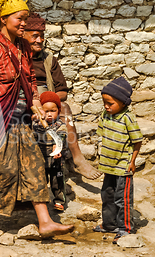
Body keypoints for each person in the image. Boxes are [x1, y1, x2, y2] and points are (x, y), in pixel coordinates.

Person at [0, 0, 74, 236]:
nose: (24, 23)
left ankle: (45, 221)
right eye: (19, 18)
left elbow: (30, 79)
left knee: (34, 166)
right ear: (3, 19)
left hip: (21, 120)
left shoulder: (22, 47)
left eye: (25, 18)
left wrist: (34, 103)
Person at [23, 13, 102, 180]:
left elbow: (63, 92)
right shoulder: (18, 58)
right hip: (26, 103)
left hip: (46, 103)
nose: (40, 40)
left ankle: (78, 159)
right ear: (23, 35)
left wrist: (48, 99)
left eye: (42, 36)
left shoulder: (49, 59)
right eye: (35, 36)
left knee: (64, 108)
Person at [92, 77, 143, 244]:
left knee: (123, 198)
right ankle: (109, 225)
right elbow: (102, 136)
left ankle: (125, 228)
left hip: (122, 165)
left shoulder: (128, 118)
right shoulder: (105, 115)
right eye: (104, 102)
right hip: (109, 166)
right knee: (107, 195)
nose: (106, 106)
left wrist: (132, 161)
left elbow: (137, 141)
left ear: (122, 103)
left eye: (110, 103)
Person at [33, 91, 68, 211]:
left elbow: (61, 137)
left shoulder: (60, 125)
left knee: (57, 181)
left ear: (59, 111)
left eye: (52, 111)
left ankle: (59, 201)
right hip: (40, 159)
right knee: (40, 181)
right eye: (46, 111)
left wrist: (56, 147)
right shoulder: (37, 124)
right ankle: (40, 202)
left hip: (56, 160)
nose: (49, 114)